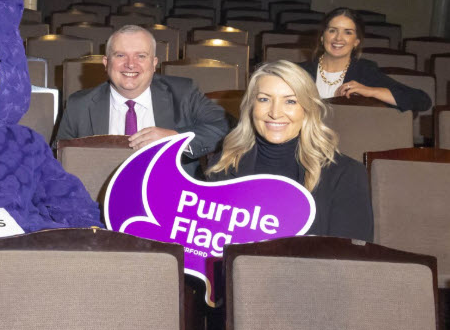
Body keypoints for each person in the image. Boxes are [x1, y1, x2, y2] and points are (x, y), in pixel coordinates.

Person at [207, 60, 373, 240]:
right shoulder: (222, 165)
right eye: (264, 99)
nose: (275, 113)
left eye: (290, 101)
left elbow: (349, 255)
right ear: (251, 107)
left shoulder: (346, 174)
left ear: (307, 109)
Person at [54, 25, 231, 166]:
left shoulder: (183, 93)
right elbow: (58, 161)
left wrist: (176, 139)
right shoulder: (79, 105)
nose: (130, 64)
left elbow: (227, 127)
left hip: (169, 192)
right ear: (106, 63)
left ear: (154, 64)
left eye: (140, 56)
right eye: (120, 55)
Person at [298, 7, 431, 112]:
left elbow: (422, 100)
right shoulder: (299, 71)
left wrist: (371, 91)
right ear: (322, 37)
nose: (338, 38)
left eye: (347, 32)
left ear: (356, 41)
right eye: (332, 30)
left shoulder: (364, 71)